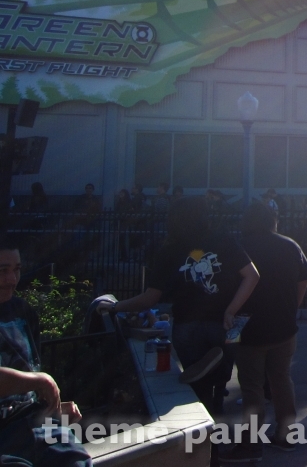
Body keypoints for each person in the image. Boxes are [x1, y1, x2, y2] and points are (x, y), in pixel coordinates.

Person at [99, 198, 260, 412]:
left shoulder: (171, 250)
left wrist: (116, 306)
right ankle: (217, 413)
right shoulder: (224, 240)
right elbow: (252, 275)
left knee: (198, 384)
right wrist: (231, 309)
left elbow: (150, 298)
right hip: (227, 323)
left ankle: (206, 432)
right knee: (222, 378)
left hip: (187, 323)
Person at [220, 203, 307, 462]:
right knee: (281, 379)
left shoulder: (239, 246)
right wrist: (292, 306)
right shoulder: (290, 245)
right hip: (284, 324)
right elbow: (303, 281)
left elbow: (228, 285)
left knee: (251, 386)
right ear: (273, 221)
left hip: (247, 325)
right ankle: (286, 436)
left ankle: (250, 445)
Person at [0, 238, 91, 467]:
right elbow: (35, 379)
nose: (12, 280)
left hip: (32, 423)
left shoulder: (22, 310)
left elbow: (30, 373)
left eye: (17, 270)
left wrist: (53, 407)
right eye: (2, 271)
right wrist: (41, 381)